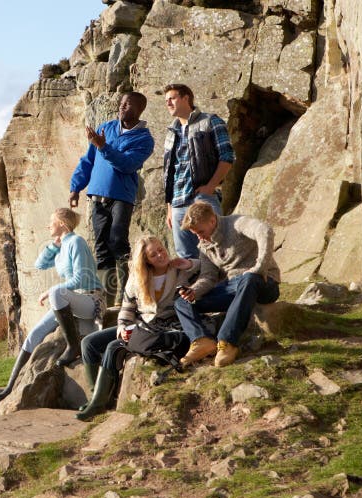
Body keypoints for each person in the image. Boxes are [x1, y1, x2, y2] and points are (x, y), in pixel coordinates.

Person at [75, 236, 197, 421]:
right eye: (153, 254)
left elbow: (203, 266)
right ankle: (96, 397)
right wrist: (122, 325)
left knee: (114, 346)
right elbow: (128, 305)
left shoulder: (177, 269)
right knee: (88, 343)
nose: (160, 254)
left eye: (161, 249)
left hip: (165, 325)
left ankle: (98, 405)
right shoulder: (137, 275)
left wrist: (188, 263)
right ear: (145, 259)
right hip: (140, 323)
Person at [0, 208, 104, 404]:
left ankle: (73, 345)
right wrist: (53, 246)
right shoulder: (62, 246)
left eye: (51, 221)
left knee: (56, 292)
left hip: (90, 299)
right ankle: (9, 388)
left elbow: (80, 279)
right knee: (35, 334)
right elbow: (40, 264)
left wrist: (51, 291)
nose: (48, 225)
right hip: (70, 300)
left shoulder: (76, 242)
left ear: (61, 223)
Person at [69, 92, 155, 306]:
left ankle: (127, 294)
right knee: (101, 247)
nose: (122, 106)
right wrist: (75, 187)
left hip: (121, 197)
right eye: (121, 103)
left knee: (118, 241)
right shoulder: (106, 127)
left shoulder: (144, 139)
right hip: (97, 195)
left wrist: (104, 147)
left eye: (128, 104)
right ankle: (106, 299)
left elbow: (127, 164)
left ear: (139, 109)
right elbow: (87, 161)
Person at [175, 201, 280, 368]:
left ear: (212, 220)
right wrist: (193, 291)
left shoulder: (236, 223)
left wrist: (259, 267)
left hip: (265, 282)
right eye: (196, 234)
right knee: (182, 302)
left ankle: (227, 342)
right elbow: (208, 277)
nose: (200, 237)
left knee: (248, 279)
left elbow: (265, 230)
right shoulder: (204, 246)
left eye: (201, 232)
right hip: (235, 287)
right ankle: (201, 340)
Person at [163, 83, 235, 259]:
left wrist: (210, 187)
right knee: (186, 258)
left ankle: (227, 286)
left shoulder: (210, 121)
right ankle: (194, 288)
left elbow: (227, 156)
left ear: (186, 98)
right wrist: (169, 208)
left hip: (202, 197)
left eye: (172, 98)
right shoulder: (171, 132)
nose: (168, 104)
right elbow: (169, 172)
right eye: (166, 101)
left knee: (217, 249)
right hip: (177, 203)